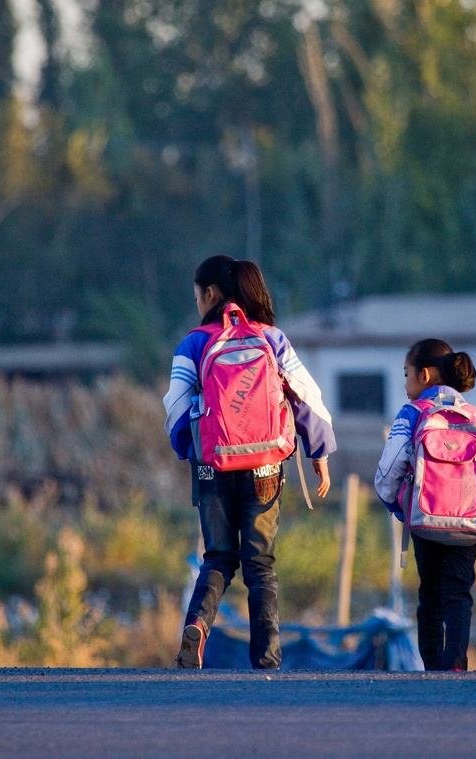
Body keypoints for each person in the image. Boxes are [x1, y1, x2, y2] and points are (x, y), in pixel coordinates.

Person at [163, 255, 336, 669]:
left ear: (209, 294)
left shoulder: (193, 342)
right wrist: (320, 453)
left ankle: (198, 626)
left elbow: (175, 406)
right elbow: (307, 397)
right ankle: (267, 658)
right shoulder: (272, 338)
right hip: (264, 469)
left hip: (212, 469)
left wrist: (192, 450)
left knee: (219, 558)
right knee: (260, 565)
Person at [374, 338, 476, 671]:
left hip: (426, 520)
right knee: (459, 592)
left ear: (424, 374)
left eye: (406, 373)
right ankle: (456, 663)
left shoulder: (412, 413)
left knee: (431, 594)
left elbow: (388, 471)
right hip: (469, 524)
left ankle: (434, 668)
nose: (405, 382)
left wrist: (398, 506)